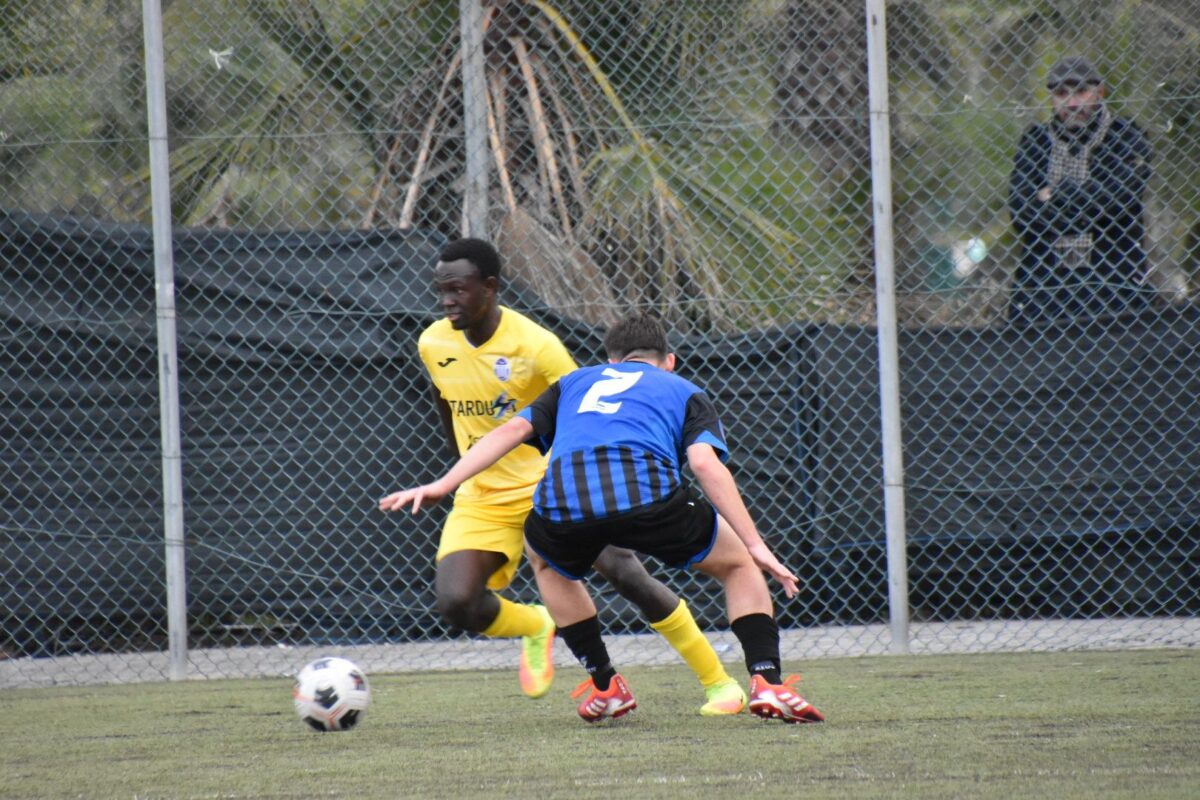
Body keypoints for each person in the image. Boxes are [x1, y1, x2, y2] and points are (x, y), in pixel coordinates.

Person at [381, 311, 825, 725]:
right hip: (650, 500)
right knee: (737, 565)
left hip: (564, 504)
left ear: (610, 360)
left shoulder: (574, 382)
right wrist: (755, 545)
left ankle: (605, 683)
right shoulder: (683, 389)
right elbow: (705, 464)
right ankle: (767, 681)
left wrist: (444, 483)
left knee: (545, 559)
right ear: (668, 361)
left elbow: (513, 429)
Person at [383, 237, 746, 716]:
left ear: (489, 287)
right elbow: (445, 404)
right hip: (482, 494)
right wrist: (458, 472)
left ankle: (719, 682)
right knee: (456, 602)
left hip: (551, 488)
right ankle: (541, 627)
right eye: (441, 290)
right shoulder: (433, 342)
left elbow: (586, 414)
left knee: (626, 574)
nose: (447, 300)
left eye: (459, 289)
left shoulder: (537, 346)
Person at [1007, 56, 1153, 325]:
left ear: (1100, 92)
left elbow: (1118, 200)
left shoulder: (1125, 136)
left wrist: (1055, 194)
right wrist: (1091, 201)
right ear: (1052, 98)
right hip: (1044, 291)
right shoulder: (1035, 141)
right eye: (1062, 94)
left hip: (1114, 285)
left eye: (1081, 92)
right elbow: (1021, 214)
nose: (1072, 103)